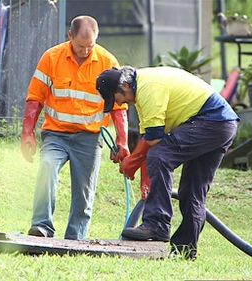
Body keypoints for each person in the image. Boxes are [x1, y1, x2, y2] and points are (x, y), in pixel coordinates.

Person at [96, 66, 239, 259]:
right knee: (192, 191)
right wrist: (145, 181)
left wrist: (131, 163)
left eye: (117, 98)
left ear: (126, 86)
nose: (120, 103)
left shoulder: (148, 88)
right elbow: (149, 137)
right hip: (223, 125)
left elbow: (154, 140)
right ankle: (185, 250)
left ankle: (157, 224)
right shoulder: (141, 88)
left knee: (160, 156)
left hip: (210, 120)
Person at [21, 15, 129, 240]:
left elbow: (120, 107)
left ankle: (75, 238)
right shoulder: (52, 58)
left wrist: (122, 140)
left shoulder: (108, 62)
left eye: (90, 46)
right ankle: (41, 227)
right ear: (70, 36)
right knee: (47, 168)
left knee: (84, 192)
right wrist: (28, 133)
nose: (86, 51)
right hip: (56, 134)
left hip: (89, 138)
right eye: (81, 46)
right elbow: (35, 99)